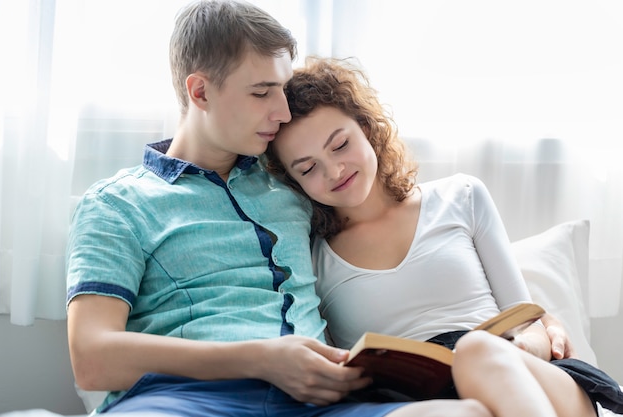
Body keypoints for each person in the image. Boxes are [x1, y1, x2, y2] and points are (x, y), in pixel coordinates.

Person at [65, 1, 495, 416]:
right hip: (187, 399)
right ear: (200, 92)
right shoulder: (117, 205)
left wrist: (533, 322)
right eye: (261, 92)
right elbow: (91, 357)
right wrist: (260, 359)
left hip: (321, 404)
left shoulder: (298, 185)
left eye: (282, 88)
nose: (283, 110)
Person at [265, 56, 623, 417]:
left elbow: (526, 321)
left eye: (340, 145)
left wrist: (520, 349)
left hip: (531, 379)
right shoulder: (312, 259)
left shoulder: (461, 196)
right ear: (294, 181)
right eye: (309, 168)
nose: (335, 170)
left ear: (367, 128)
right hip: (429, 405)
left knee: (476, 351)